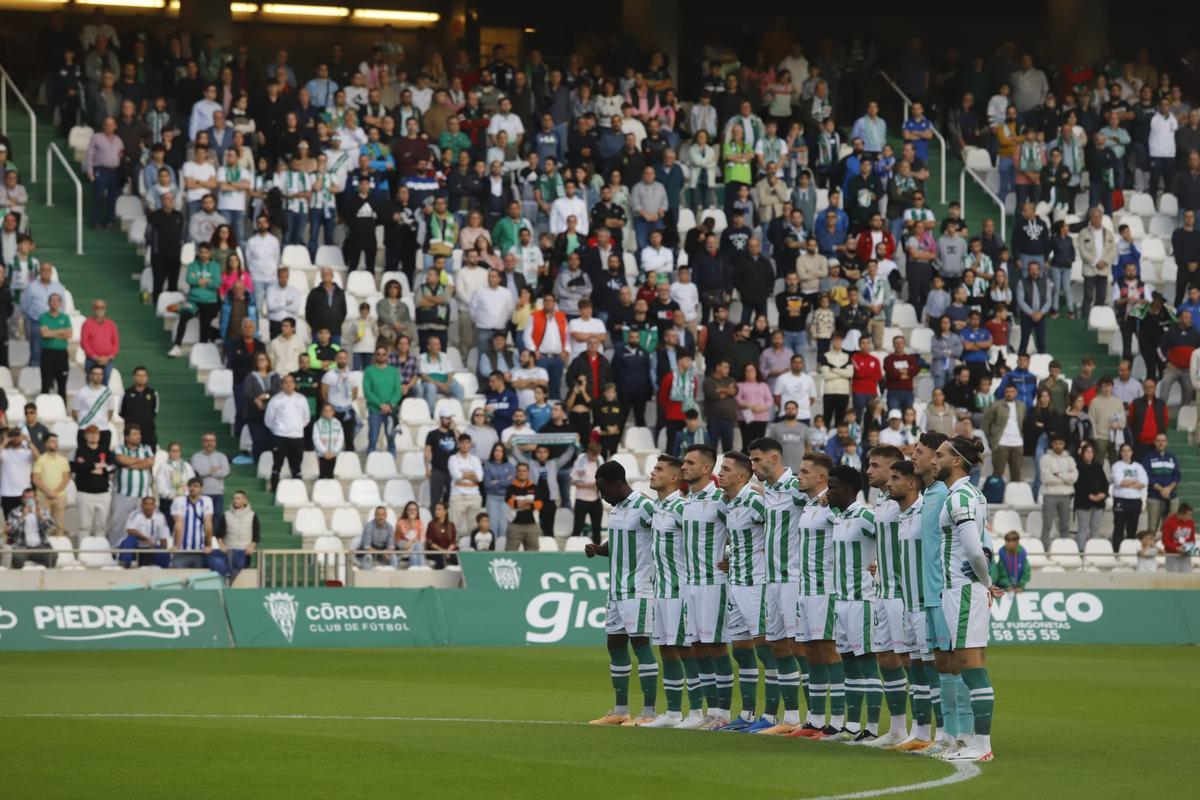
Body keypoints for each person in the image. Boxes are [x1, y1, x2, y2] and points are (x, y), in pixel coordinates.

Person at [932, 435, 998, 762]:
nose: (934, 460)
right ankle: (974, 741)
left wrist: (986, 582)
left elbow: (973, 549)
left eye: (939, 455)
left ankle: (981, 745)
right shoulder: (971, 494)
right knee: (968, 665)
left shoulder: (959, 497)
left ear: (956, 461)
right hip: (963, 590)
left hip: (962, 590)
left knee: (971, 667)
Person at [584, 458, 659, 727]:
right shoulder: (616, 509)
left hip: (638, 588)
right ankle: (620, 710)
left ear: (617, 484)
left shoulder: (645, 506)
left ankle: (649, 713)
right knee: (615, 645)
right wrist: (599, 549)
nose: (602, 496)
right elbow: (618, 543)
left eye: (603, 490)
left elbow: (666, 536)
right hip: (616, 590)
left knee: (641, 645)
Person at [884, 458, 936, 750]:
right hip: (908, 604)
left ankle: (946, 735)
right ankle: (920, 733)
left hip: (926, 605)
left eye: (895, 478)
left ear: (912, 482)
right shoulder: (903, 515)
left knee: (933, 670)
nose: (888, 483)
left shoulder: (926, 511)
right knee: (915, 670)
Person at [108, 425, 154, 546]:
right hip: (123, 495)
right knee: (118, 525)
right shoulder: (119, 448)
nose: (138, 436)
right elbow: (121, 459)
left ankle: (140, 550)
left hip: (142, 496)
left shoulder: (146, 448)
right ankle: (115, 550)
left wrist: (130, 464)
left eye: (139, 434)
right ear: (127, 437)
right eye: (135, 434)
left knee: (141, 525)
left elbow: (149, 463)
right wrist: (140, 460)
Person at [265, 375, 310, 491]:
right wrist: (278, 430)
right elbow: (268, 420)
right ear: (282, 385)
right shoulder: (275, 400)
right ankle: (274, 489)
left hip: (297, 437)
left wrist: (296, 428)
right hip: (280, 437)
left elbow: (306, 418)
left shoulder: (301, 399)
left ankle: (298, 491)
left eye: (291, 382)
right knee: (277, 465)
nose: (288, 385)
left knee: (296, 467)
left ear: (295, 384)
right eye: (286, 382)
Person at [72, 425, 113, 538]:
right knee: (85, 525)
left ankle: (100, 547)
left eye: (96, 434)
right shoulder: (81, 450)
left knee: (101, 526)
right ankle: (83, 547)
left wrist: (99, 469)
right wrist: (96, 466)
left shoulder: (105, 450)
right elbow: (79, 466)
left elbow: (112, 466)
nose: (94, 436)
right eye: (90, 434)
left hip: (103, 493)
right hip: (85, 493)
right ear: (85, 436)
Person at [1039, 433, 1078, 547]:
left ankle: (1064, 549)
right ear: (1052, 444)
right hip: (1050, 494)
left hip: (1066, 496)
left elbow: (1074, 477)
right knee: (1047, 524)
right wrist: (1065, 479)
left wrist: (1058, 475)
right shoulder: (1045, 458)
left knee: (1065, 525)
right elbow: (1046, 479)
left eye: (1060, 443)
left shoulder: (1070, 459)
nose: (1058, 446)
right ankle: (1044, 549)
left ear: (1064, 444)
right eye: (1056, 443)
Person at [211, 490, 258, 582]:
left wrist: (251, 546)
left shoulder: (252, 515)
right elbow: (219, 533)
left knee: (239, 562)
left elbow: (256, 534)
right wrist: (221, 545)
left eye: (238, 498)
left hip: (244, 551)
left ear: (245, 500)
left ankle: (228, 581)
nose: (235, 501)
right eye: (234, 498)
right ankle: (228, 581)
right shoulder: (226, 515)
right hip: (229, 550)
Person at [982, 384, 1026, 482]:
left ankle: (1014, 492)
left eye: (1012, 392)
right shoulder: (996, 405)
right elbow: (985, 422)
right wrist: (990, 439)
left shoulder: (1021, 406)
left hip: (1018, 443)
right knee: (997, 473)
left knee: (1017, 473)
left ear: (1016, 393)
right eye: (1007, 392)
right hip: (1001, 443)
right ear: (1004, 393)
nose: (1009, 394)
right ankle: (996, 491)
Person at [4, 488, 56, 568]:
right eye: (26, 498)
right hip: (21, 547)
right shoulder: (14, 512)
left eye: (31, 497)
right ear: (22, 499)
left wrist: (41, 517)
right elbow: (11, 531)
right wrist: (23, 516)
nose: (29, 500)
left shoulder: (43, 511)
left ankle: (48, 575)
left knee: (52, 555)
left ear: (35, 498)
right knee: (18, 558)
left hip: (40, 546)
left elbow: (52, 527)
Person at [117, 496, 172, 568]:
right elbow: (130, 530)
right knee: (130, 539)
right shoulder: (135, 514)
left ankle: (163, 568)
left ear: (154, 506)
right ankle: (125, 563)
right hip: (136, 547)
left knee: (164, 551)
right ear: (142, 505)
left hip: (151, 548)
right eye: (146, 504)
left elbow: (163, 538)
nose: (148, 507)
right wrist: (145, 539)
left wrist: (163, 552)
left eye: (151, 504)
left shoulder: (160, 516)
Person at [29, 433, 69, 534]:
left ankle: (59, 544)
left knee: (59, 526)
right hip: (43, 497)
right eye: (52, 441)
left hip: (60, 497)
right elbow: (36, 479)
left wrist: (55, 492)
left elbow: (66, 479)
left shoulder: (63, 460)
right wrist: (48, 492)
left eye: (56, 441)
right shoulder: (40, 460)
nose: (55, 444)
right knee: (44, 526)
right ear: (46, 444)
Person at [171, 477, 214, 569]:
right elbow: (179, 525)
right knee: (176, 574)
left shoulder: (207, 501)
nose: (192, 488)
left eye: (195, 486)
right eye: (190, 486)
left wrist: (209, 545)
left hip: (199, 550)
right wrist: (177, 546)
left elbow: (208, 525)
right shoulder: (179, 500)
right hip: (182, 550)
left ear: (201, 488)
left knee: (199, 576)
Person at [1143, 433, 1180, 534]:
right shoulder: (1148, 457)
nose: (1161, 443)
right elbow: (1147, 476)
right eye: (1158, 441)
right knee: (1152, 528)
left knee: (1171, 528)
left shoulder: (1172, 457)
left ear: (1166, 442)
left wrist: (1168, 489)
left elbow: (1177, 476)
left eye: (1163, 441)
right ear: (1155, 443)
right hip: (1154, 497)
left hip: (1171, 497)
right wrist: (1162, 490)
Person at [1074, 441, 1109, 549]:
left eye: (1091, 452)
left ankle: (1094, 551)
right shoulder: (1077, 467)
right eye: (1087, 452)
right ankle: (1081, 551)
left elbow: (1105, 483)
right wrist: (1090, 496)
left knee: (1095, 528)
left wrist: (1103, 494)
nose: (1089, 454)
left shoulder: (1098, 467)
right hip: (1083, 502)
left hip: (1099, 502)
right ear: (1082, 453)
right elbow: (1077, 485)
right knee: (1083, 528)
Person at [191, 431, 230, 521]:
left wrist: (207, 472)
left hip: (218, 493)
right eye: (207, 440)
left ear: (215, 442)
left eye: (212, 440)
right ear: (203, 442)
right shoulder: (196, 457)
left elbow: (225, 472)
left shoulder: (221, 456)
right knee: (202, 518)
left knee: (217, 518)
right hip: (202, 493)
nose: (210, 443)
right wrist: (213, 470)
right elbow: (198, 473)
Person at [79, 299, 119, 384]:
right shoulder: (87, 324)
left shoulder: (111, 325)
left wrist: (109, 357)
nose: (99, 310)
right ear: (93, 309)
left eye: (102, 307)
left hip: (107, 361)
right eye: (97, 307)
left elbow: (115, 343)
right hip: (91, 360)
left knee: (104, 385)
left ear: (105, 309)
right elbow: (84, 343)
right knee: (91, 385)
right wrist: (95, 357)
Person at [120, 367, 160, 452]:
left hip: (148, 432)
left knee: (149, 456)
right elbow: (121, 412)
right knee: (130, 456)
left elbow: (155, 411)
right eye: (139, 375)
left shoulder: (153, 393)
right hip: (131, 434)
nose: (142, 378)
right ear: (134, 377)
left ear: (147, 377)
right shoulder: (126, 393)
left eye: (144, 375)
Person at [570, 443, 603, 543]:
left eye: (596, 455)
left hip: (595, 499)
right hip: (581, 499)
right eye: (593, 455)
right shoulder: (580, 460)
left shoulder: (599, 460)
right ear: (588, 452)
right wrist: (590, 485)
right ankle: (573, 547)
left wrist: (596, 485)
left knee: (597, 529)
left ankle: (597, 548)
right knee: (577, 528)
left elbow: (604, 480)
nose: (594, 458)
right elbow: (573, 481)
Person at [154, 441, 194, 521]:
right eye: (173, 450)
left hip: (184, 499)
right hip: (168, 500)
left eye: (177, 450)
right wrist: (169, 495)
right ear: (168, 452)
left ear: (180, 452)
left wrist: (187, 493)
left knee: (183, 523)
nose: (175, 453)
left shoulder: (186, 466)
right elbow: (160, 483)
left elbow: (192, 481)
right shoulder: (163, 466)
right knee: (169, 524)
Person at [1161, 504, 1196, 573]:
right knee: (1173, 577)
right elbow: (1165, 540)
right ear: (1181, 514)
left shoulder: (1191, 522)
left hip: (1186, 555)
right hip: (1173, 555)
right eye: (1188, 515)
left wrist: (1189, 548)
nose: (1190, 517)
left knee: (1187, 576)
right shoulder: (1169, 522)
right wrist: (1176, 548)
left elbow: (1192, 539)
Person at [426, 500, 459, 569]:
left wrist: (447, 551)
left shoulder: (451, 525)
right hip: (435, 551)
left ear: (445, 511)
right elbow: (430, 542)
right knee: (440, 558)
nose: (436, 511)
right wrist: (443, 551)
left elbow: (453, 542)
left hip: (449, 551)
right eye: (436, 509)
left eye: (439, 509)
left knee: (458, 559)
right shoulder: (431, 524)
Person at [394, 501, 426, 567]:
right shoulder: (401, 522)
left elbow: (422, 539)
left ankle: (421, 570)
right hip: (403, 547)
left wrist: (412, 542)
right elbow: (407, 536)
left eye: (415, 510)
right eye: (410, 510)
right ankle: (422, 569)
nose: (412, 512)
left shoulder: (420, 522)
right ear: (406, 511)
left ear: (417, 512)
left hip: (413, 549)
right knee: (417, 546)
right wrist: (411, 522)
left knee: (415, 552)